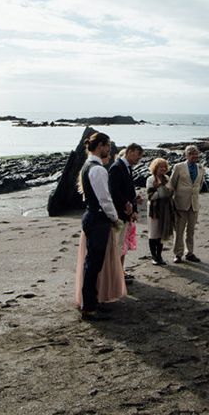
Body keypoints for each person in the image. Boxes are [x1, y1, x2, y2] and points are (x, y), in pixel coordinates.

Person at [76, 132, 123, 321]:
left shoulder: (88, 166)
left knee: (93, 263)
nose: (109, 150)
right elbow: (105, 199)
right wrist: (114, 218)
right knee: (93, 264)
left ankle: (92, 301)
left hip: (91, 216)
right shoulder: (98, 169)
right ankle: (89, 307)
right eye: (108, 146)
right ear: (100, 146)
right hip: (98, 219)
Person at [108, 143, 144, 283]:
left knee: (122, 246)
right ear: (129, 152)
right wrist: (126, 203)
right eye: (137, 155)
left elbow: (129, 191)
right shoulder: (117, 167)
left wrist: (134, 204)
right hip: (119, 213)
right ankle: (116, 275)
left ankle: (120, 271)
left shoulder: (127, 168)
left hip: (126, 213)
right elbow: (114, 191)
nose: (138, 160)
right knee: (118, 245)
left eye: (140, 157)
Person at [169, 145, 205, 263]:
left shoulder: (201, 168)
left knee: (191, 231)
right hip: (180, 203)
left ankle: (190, 252)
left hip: (194, 203)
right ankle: (178, 254)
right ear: (186, 155)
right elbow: (172, 184)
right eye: (191, 153)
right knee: (179, 230)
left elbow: (199, 185)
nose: (194, 155)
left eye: (196, 153)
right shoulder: (178, 167)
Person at [146, 157, 176, 265]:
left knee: (162, 232)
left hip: (166, 209)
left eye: (164, 167)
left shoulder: (167, 178)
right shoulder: (150, 179)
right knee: (153, 233)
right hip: (154, 210)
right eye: (160, 167)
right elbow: (151, 196)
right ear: (155, 168)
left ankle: (159, 255)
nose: (163, 169)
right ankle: (154, 256)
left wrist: (163, 191)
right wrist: (163, 191)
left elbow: (171, 192)